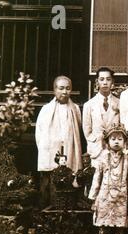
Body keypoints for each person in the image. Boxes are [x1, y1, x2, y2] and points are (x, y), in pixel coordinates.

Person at [88, 123, 128, 234]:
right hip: (104, 199)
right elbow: (97, 179)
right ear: (107, 142)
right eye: (113, 139)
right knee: (104, 232)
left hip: (121, 201)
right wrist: (93, 198)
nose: (116, 142)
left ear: (124, 142)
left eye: (120, 139)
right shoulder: (102, 159)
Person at [35, 76, 82, 208]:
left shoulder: (75, 109)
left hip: (68, 151)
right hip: (50, 153)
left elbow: (77, 129)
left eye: (68, 88)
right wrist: (47, 150)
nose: (64, 92)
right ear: (54, 90)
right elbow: (39, 135)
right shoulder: (46, 110)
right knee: (49, 185)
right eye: (61, 88)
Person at [83, 67, 120, 167]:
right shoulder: (89, 105)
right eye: (102, 79)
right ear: (97, 81)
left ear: (112, 81)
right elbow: (87, 130)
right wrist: (95, 141)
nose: (105, 83)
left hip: (115, 150)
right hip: (96, 151)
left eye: (108, 79)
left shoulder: (119, 103)